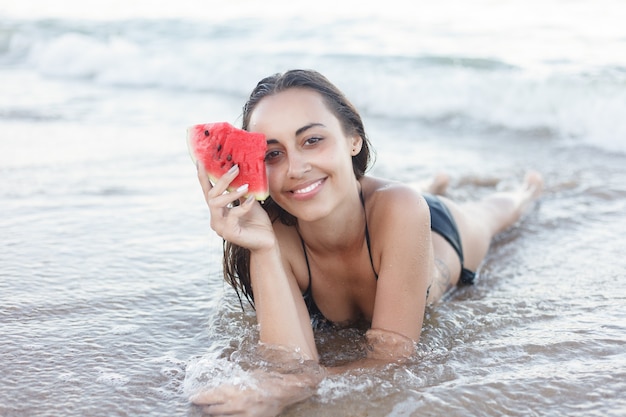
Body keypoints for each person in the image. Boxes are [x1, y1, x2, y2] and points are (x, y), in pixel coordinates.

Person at [191, 69, 543, 416]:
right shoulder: (275, 235)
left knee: (492, 215)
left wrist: (287, 389)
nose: (295, 168)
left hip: (430, 231)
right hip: (355, 201)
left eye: (312, 140)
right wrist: (263, 248)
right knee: (378, 193)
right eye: (272, 154)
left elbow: (391, 360)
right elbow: (289, 362)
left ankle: (522, 190)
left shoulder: (401, 209)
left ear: (353, 139)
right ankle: (431, 181)